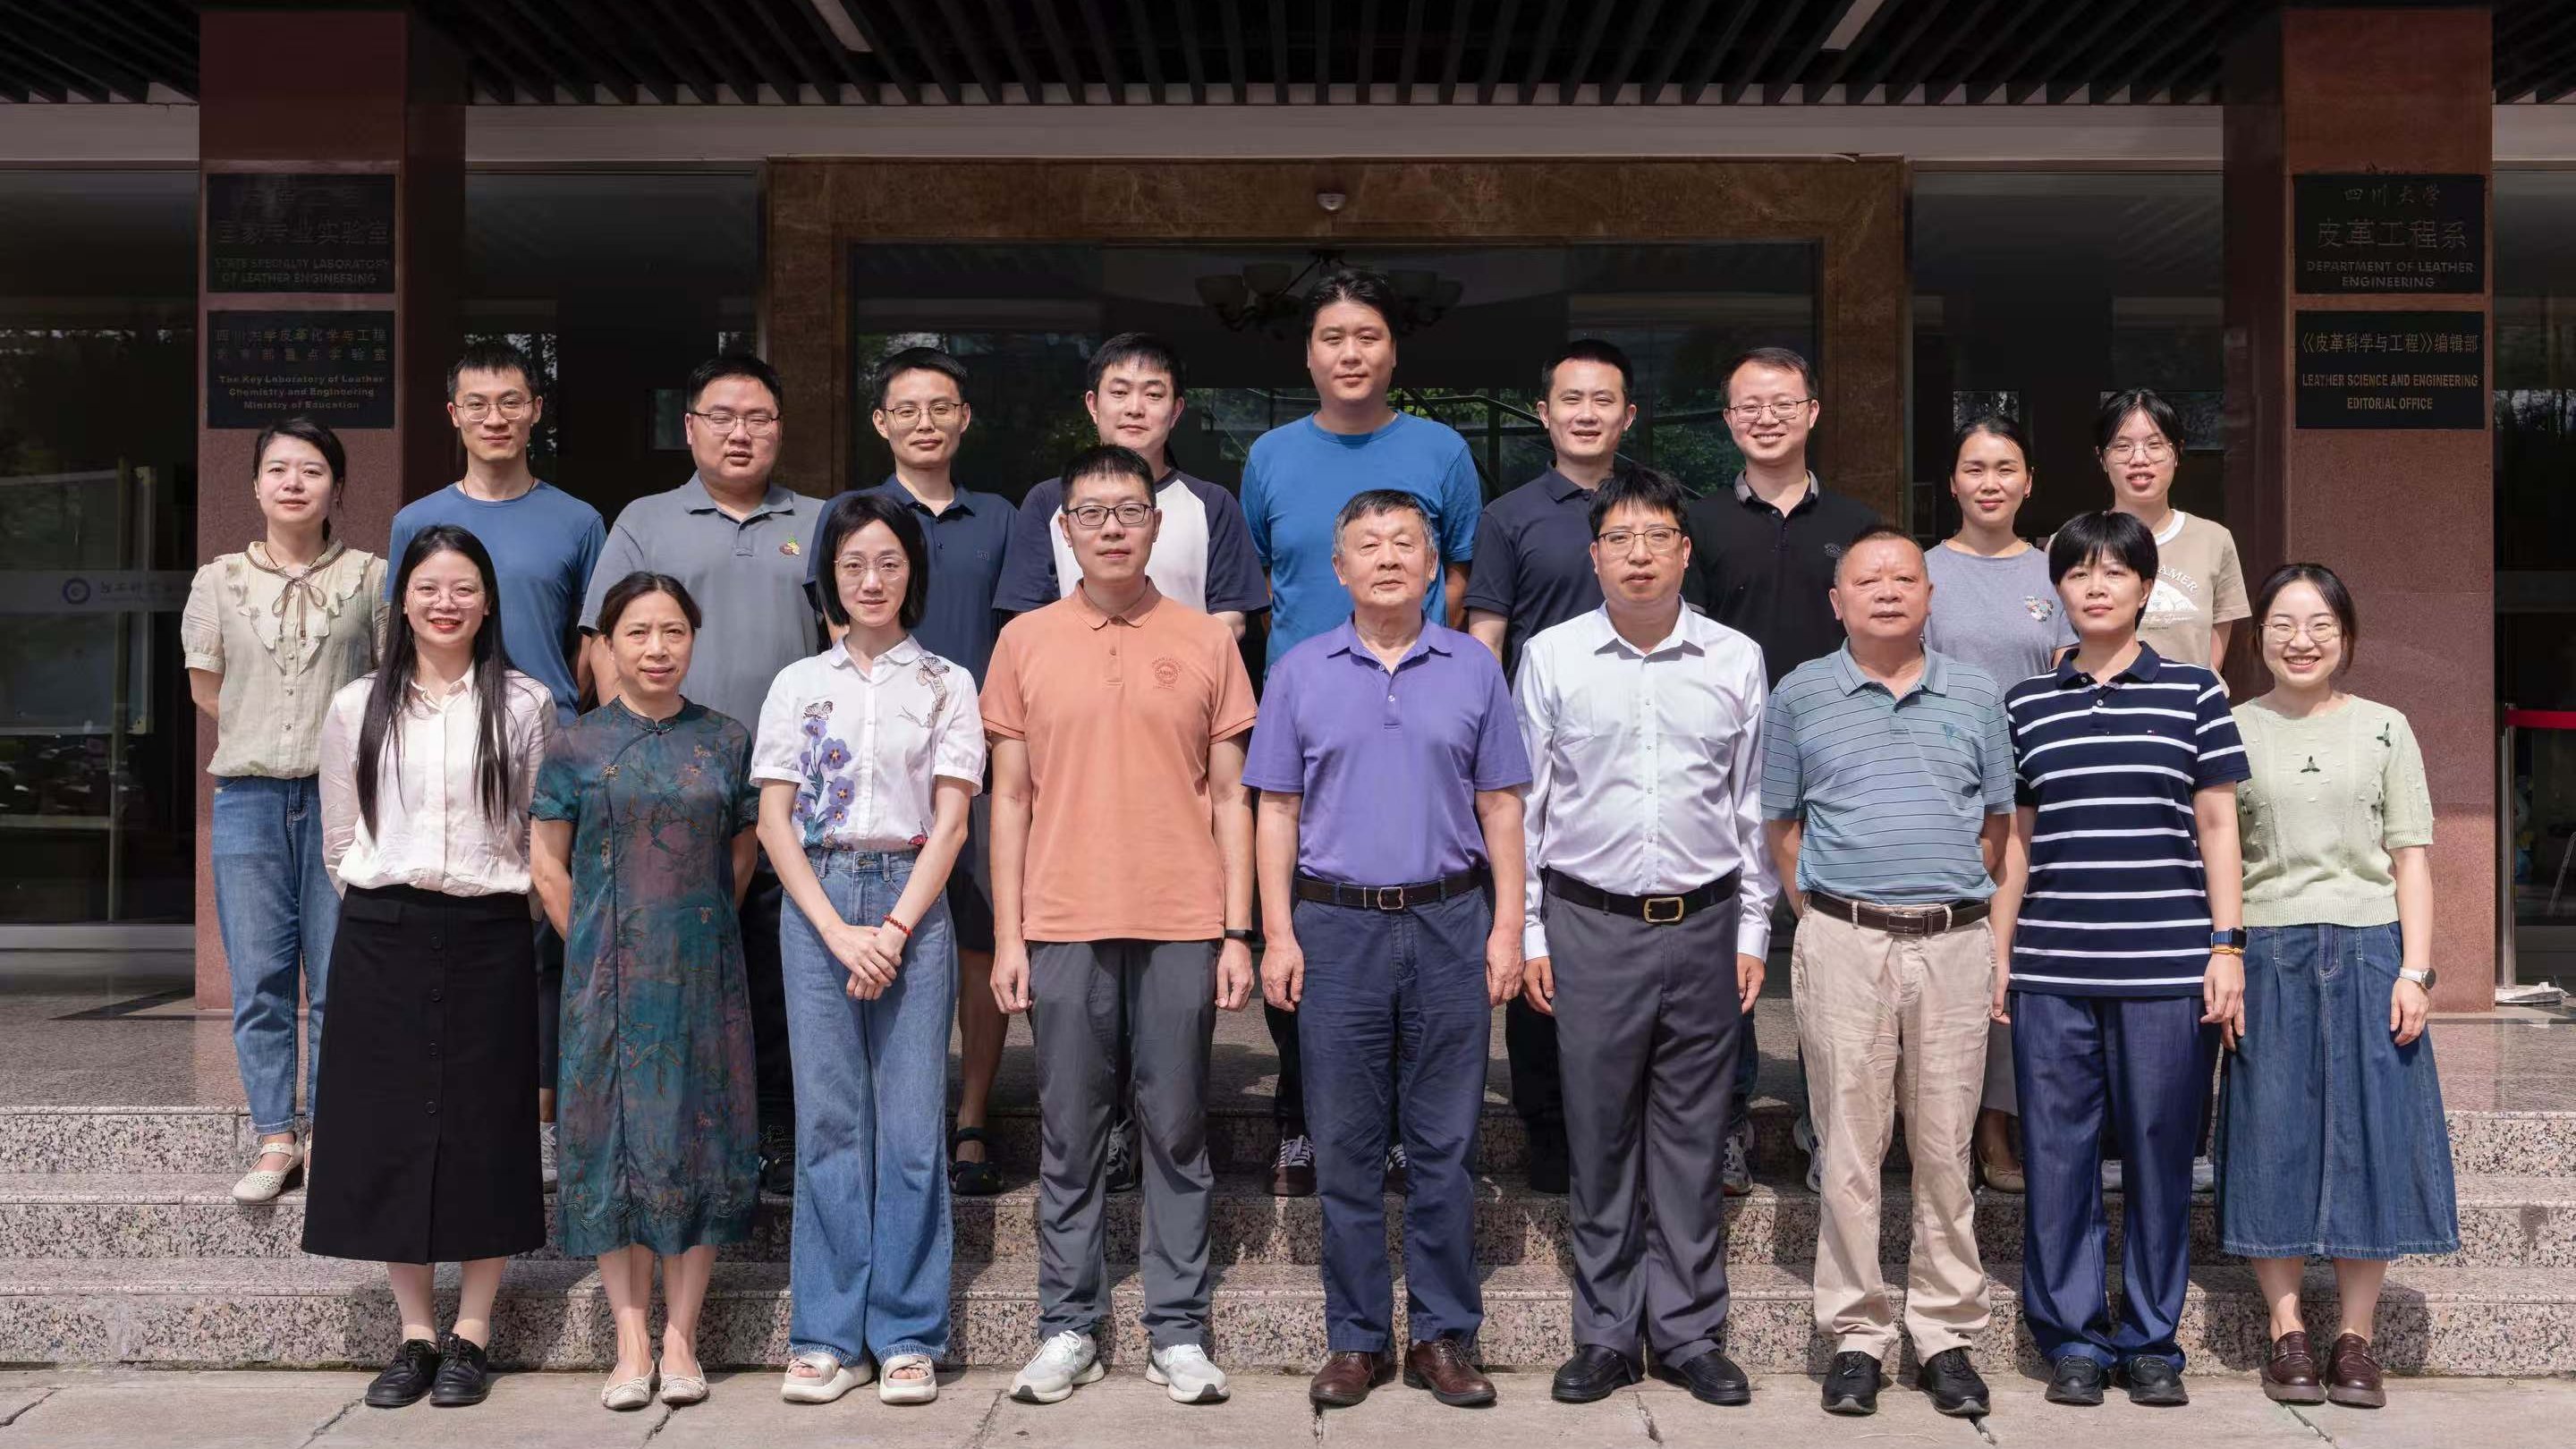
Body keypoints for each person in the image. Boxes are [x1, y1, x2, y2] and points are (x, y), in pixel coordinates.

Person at [984, 445, 1259, 1407]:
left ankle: (1177, 1329)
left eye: (1129, 510)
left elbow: (1231, 797)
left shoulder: (1207, 640)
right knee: (1070, 1131)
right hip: (1063, 915)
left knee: (1176, 1127)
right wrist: (1010, 936)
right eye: (1092, 512)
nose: (1111, 527)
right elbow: (1009, 799)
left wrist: (1237, 931)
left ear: (1156, 524)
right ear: (1064, 530)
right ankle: (1069, 1325)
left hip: (1181, 916)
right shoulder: (1024, 641)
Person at [1244, 489, 1530, 1412]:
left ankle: (1443, 1335)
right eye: (1367, 545)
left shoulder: (1474, 667)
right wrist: (1277, 931)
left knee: (1446, 1144)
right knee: (1346, 1143)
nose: (1388, 557)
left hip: (1450, 920)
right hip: (1337, 926)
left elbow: (1502, 806)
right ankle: (1358, 1338)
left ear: (1434, 565)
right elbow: (1275, 809)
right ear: (1339, 570)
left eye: (1406, 542)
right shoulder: (1299, 671)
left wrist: (1508, 927)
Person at [1516, 470, 1772, 1411]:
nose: (1639, 554)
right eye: (1620, 538)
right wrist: (1532, 929)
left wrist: (1754, 927)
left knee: (1694, 1136)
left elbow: (1751, 806)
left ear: (1684, 551)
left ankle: (1690, 1332)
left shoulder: (1736, 659)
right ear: (1594, 556)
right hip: (1589, 924)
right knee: (1599, 1131)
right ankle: (1606, 1333)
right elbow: (1528, 807)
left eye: (1657, 536)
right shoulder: (1551, 657)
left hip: (1704, 924)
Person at [990, 332, 1267, 1198]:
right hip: (1072, 816)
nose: (1136, 405)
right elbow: (1024, 639)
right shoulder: (1045, 512)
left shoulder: (1209, 505)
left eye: (1154, 391)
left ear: (1177, 409)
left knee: (1175, 1102)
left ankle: (1171, 1278)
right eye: (1120, 389)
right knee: (1072, 1103)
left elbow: (1233, 621)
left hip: (1173, 765)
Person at [1988, 510, 2250, 1410]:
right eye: (2078, 573)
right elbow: (2018, 844)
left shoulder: (2196, 694)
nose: (2095, 586)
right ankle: (2070, 1336)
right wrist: (2001, 951)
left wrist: (2227, 946)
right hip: (2054, 967)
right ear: (2057, 590)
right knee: (2057, 1157)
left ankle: (2149, 1339)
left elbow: (2218, 826)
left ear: (2145, 588)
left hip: (2169, 967)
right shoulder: (2025, 704)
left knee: (2161, 1154)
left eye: (2114, 572)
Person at [1241, 269, 1485, 1198]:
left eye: (1368, 336)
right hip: (1309, 709)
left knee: (1414, 932)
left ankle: (1401, 1134)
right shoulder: (1271, 455)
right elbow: (1266, 584)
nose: (1351, 353)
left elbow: (1455, 578)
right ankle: (1302, 1119)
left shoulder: (1442, 450)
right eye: (1333, 337)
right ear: (1308, 355)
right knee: (1308, 917)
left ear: (1393, 352)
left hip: (1415, 704)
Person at [304, 524, 557, 1411]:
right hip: (384, 931)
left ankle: (472, 1333)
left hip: (491, 929)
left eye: (463, 588)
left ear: (488, 603)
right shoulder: (356, 706)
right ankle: (414, 1334)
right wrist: (387, 903)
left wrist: (509, 907)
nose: (445, 603)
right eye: (428, 587)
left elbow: (537, 828)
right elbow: (341, 836)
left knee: (487, 1124)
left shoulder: (524, 704)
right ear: (401, 602)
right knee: (386, 1126)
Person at [1763, 526, 2013, 1419]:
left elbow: (1996, 824)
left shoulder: (1975, 693)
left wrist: (1957, 908)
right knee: (1849, 1148)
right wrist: (1824, 919)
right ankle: (1857, 1335)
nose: (1887, 591)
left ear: (1929, 596)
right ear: (1838, 602)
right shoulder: (1801, 693)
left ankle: (1945, 1334)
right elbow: (1782, 826)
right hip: (1844, 942)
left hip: (1952, 943)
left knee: (1945, 1149)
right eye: (1867, 580)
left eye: (1904, 577)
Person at [753, 491, 983, 1407]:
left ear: (912, 572)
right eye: (853, 565)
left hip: (912, 900)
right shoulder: (796, 684)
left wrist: (890, 930)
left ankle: (907, 1333)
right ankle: (824, 1335)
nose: (871, 580)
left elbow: (953, 823)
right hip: (818, 898)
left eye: (889, 562)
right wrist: (834, 928)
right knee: (830, 1123)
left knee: (913, 1125)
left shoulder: (948, 683)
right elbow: (774, 821)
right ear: (830, 578)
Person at [580, 353, 819, 1200]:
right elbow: (602, 647)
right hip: (675, 799)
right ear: (689, 428)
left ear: (780, 428)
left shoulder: (817, 521)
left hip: (793, 797)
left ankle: (775, 1131)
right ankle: (670, 1135)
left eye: (758, 417)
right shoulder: (645, 521)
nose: (740, 432)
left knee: (780, 974)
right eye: (722, 416)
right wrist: (635, 762)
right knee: (678, 977)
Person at [2218, 563, 2457, 1411]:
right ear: (2258, 638)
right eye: (2283, 625)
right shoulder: (2231, 727)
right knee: (2270, 1130)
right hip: (2268, 947)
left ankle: (2356, 1338)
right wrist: (2227, 953)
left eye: (2320, 624)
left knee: (2372, 1134)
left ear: (2346, 637)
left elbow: (2411, 857)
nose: (2302, 641)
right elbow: (2220, 854)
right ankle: (2286, 1330)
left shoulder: (2386, 728)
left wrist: (2415, 970)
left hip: (2370, 950)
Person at [530, 572, 760, 1412]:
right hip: (605, 982)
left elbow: (742, 853)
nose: (657, 649)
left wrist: (696, 930)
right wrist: (597, 945)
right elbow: (547, 862)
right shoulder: (576, 745)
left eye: (673, 632)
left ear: (692, 640)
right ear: (606, 645)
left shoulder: (726, 740)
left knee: (701, 1141)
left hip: (704, 974)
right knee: (610, 1147)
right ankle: (630, 1341)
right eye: (637, 633)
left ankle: (681, 1337)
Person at [387, 340, 605, 1193]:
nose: (495, 417)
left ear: (535, 410)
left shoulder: (578, 520)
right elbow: (399, 634)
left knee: (550, 932)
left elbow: (592, 645)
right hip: (443, 741)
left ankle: (545, 1122)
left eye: (511, 401)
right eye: (477, 403)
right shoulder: (418, 520)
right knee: (461, 936)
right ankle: (461, 1112)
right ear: (453, 415)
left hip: (549, 744)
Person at [809, 347, 1014, 1200]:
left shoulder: (1001, 517)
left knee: (976, 938)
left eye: (941, 407)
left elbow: (1015, 635)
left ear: (964, 418)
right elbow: (833, 627)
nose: (924, 423)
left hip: (975, 759)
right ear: (880, 422)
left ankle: (971, 1116)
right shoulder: (851, 515)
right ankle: (891, 1118)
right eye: (907, 408)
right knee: (878, 936)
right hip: (877, 769)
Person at [1681, 345, 1881, 1195]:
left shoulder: (1860, 525)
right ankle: (1727, 1123)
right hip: (1721, 763)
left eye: (1783, 403)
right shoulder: (1696, 524)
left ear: (1813, 412)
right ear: (1729, 419)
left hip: (1837, 762)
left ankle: (1827, 1125)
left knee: (1835, 950)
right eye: (1749, 405)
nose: (1766, 418)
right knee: (1727, 942)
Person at [183, 419, 387, 1204]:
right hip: (249, 798)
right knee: (260, 978)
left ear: (338, 486)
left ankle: (331, 1132)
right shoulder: (219, 580)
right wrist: (268, 733)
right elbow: (207, 687)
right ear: (256, 485)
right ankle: (275, 1135)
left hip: (344, 800)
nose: (293, 482)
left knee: (339, 977)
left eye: (311, 469)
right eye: (278, 469)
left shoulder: (373, 577)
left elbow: (386, 684)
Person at [1466, 337, 1637, 1197]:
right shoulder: (1510, 516)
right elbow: (1486, 638)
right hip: (1540, 755)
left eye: (1604, 399)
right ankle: (1547, 1124)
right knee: (1539, 926)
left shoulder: (1655, 508)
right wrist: (1482, 752)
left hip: (1639, 752)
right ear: (1544, 413)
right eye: (1571, 398)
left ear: (1628, 414)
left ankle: (1634, 1119)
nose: (1586, 413)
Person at [1923, 413, 2074, 1198]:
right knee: (1947, 959)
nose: (1990, 483)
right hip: (1940, 790)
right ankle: (1939, 1124)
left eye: (2005, 467)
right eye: (1975, 468)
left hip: (2036, 796)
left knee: (2011, 959)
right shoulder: (1919, 571)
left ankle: (1998, 1122)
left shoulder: (2057, 575)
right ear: (1952, 482)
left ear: (2028, 481)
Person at [2094, 387, 2247, 671]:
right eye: (2123, 446)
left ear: (2177, 452)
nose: (2139, 459)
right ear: (2102, 458)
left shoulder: (2214, 541)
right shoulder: (2074, 543)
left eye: (2154, 444)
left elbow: (2211, 656)